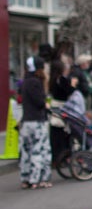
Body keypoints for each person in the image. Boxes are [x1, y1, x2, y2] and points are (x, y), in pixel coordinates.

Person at [19, 56, 53, 189]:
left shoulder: (25, 82)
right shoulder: (36, 82)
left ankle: (26, 178)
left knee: (26, 150)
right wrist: (46, 105)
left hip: (26, 120)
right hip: (38, 120)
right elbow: (39, 102)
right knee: (41, 149)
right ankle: (39, 178)